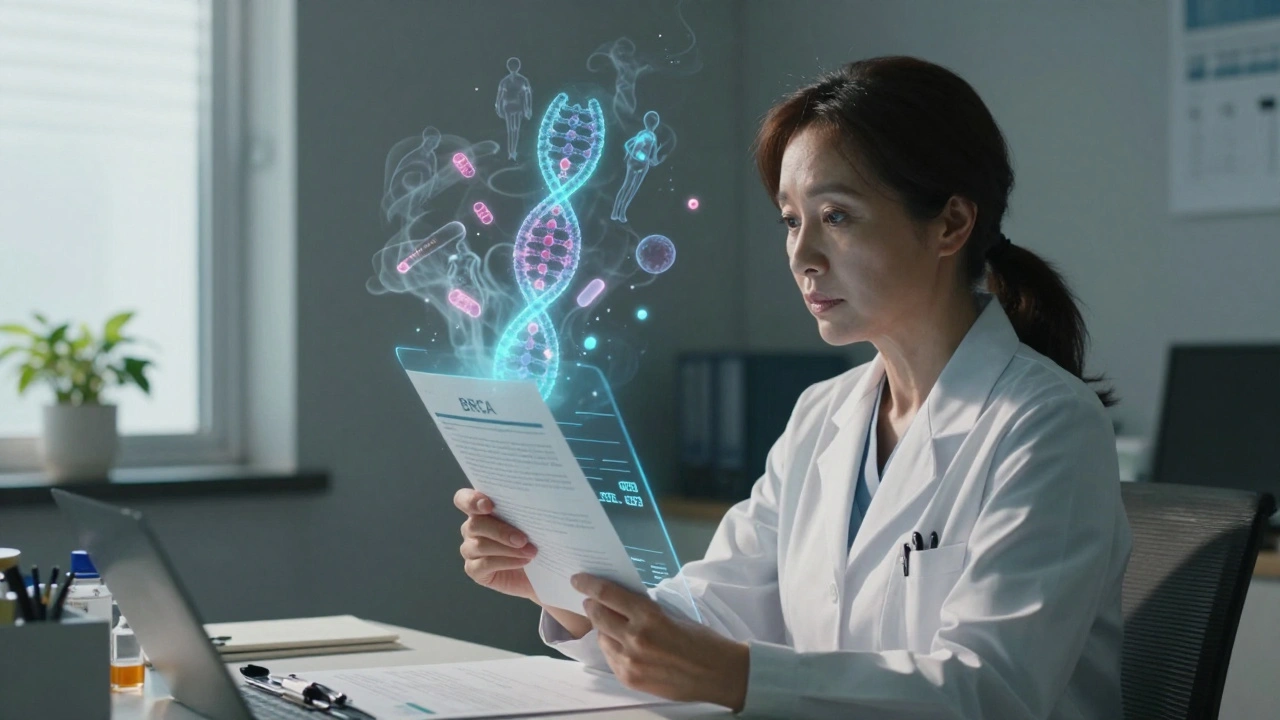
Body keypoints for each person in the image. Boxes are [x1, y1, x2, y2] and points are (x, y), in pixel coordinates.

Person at [454, 56, 1131, 719]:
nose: (804, 257)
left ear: (951, 224)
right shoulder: (823, 416)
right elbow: (716, 609)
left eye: (835, 216)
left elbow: (990, 691)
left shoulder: (1048, 426)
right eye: (790, 220)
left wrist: (741, 676)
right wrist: (562, 584)